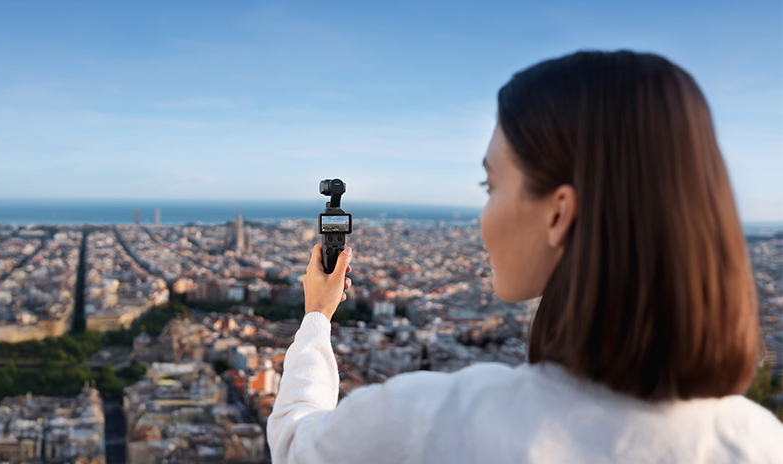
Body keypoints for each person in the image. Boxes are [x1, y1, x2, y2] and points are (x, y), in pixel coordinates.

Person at [266, 50, 783, 463]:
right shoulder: (760, 442)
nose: (481, 217)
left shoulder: (433, 423)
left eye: (490, 186)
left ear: (559, 213)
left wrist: (316, 318)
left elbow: (294, 443)